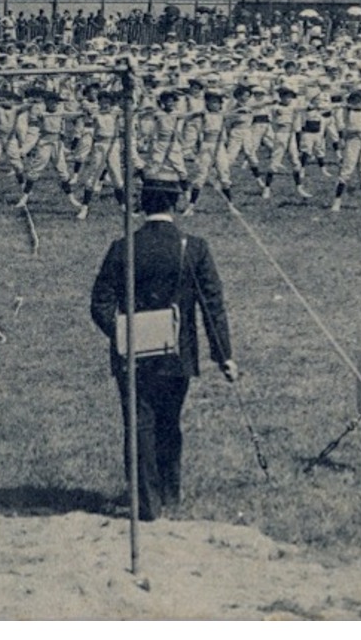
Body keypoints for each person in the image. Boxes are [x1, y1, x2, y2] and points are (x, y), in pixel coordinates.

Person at [89, 177, 238, 521]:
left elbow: (99, 302)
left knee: (138, 423)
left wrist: (125, 333)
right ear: (176, 203)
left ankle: (147, 501)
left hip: (132, 356)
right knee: (169, 422)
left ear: (144, 204)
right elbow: (212, 306)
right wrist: (223, 355)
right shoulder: (194, 248)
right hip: (177, 354)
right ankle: (170, 494)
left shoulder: (123, 247)